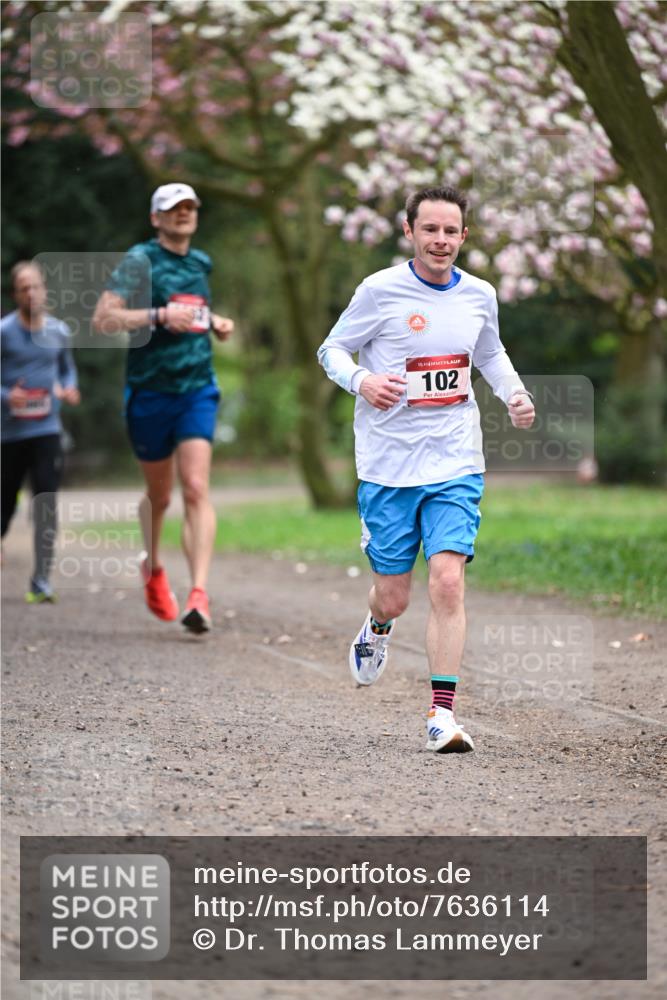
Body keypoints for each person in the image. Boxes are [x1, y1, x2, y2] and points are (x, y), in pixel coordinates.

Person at [317, 185, 535, 754]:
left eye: (450, 231)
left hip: (455, 459)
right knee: (394, 596)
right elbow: (331, 351)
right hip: (389, 466)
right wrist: (362, 380)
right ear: (410, 231)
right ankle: (378, 628)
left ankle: (442, 715)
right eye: (430, 229)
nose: (440, 240)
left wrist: (513, 393)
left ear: (464, 236)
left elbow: (488, 353)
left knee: (447, 579)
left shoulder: (481, 295)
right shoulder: (379, 290)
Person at [93, 183, 234, 634]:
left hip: (197, 388)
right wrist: (156, 316)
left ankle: (198, 594)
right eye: (173, 209)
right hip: (150, 391)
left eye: (190, 207)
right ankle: (153, 566)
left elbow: (193, 310)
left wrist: (215, 322)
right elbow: (104, 317)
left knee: (196, 487)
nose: (183, 214)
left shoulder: (201, 262)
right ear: (156, 218)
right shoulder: (140, 260)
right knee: (162, 496)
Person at [1, 261, 81, 602]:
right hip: (9, 434)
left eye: (36, 286)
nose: (31, 293)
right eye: (24, 288)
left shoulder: (59, 331)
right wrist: (8, 396)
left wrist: (68, 389)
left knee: (46, 503)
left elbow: (67, 371)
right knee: (4, 505)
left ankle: (41, 580)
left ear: (45, 290)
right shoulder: (4, 332)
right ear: (15, 293)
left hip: (47, 430)